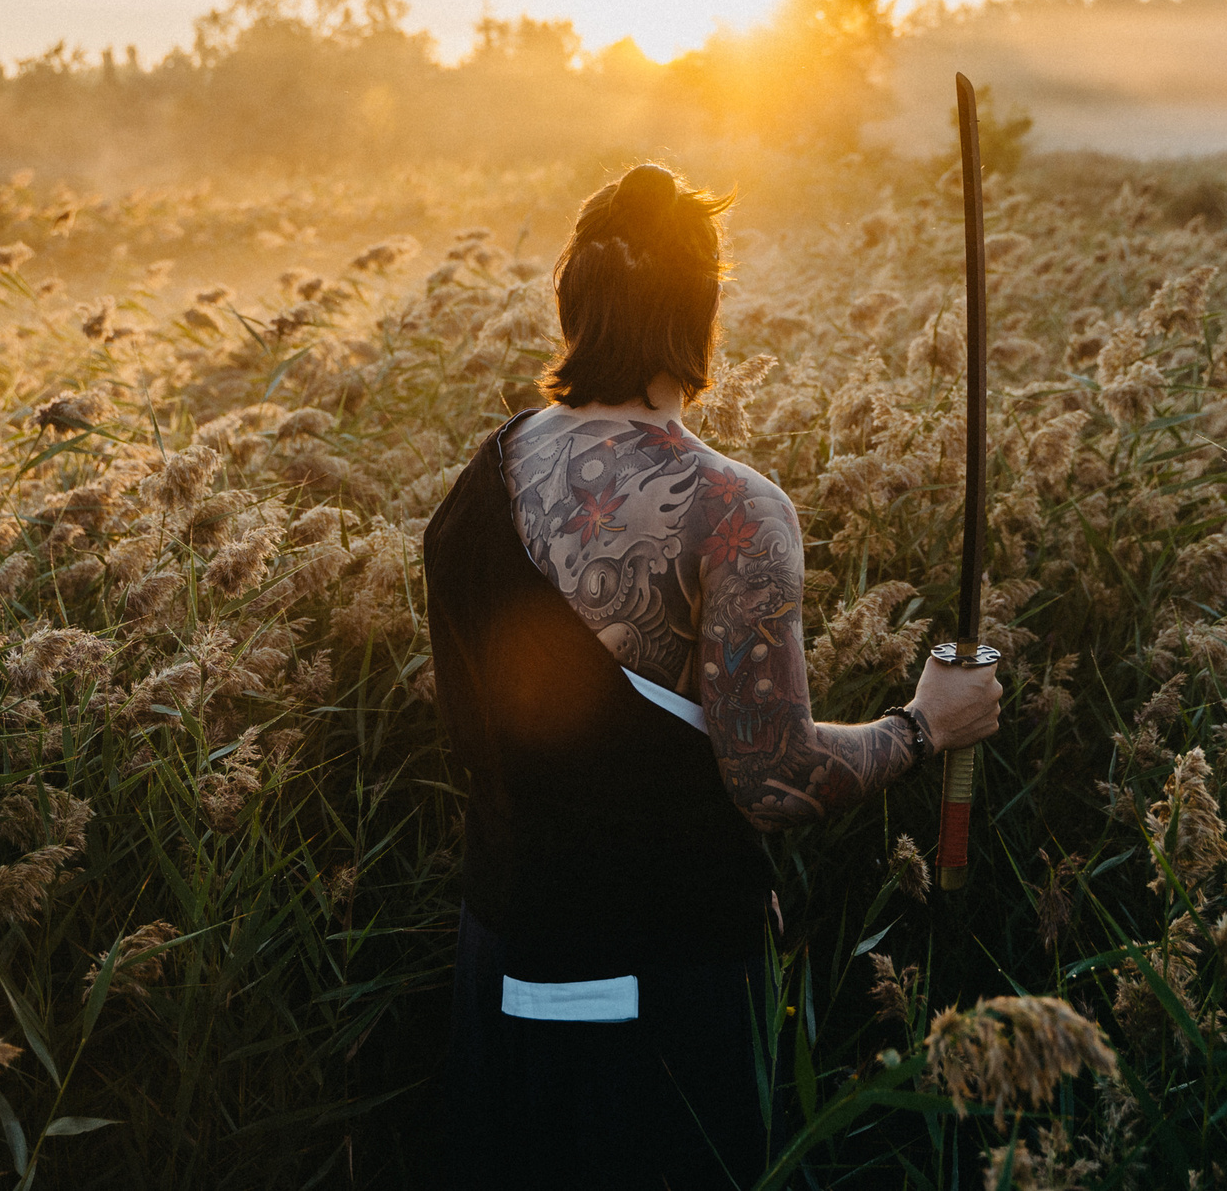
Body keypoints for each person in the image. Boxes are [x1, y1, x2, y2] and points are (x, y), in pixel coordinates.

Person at [426, 162, 1004, 1189]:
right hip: (660, 988)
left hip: (497, 963)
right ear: (701, 310)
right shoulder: (731, 508)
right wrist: (925, 725)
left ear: (575, 300)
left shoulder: (489, 468)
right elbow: (773, 777)